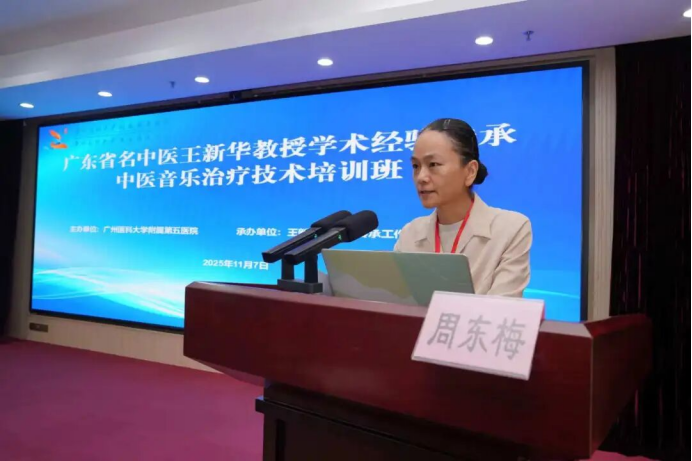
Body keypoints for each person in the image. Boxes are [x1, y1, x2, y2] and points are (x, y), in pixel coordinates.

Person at [394, 118, 532, 297]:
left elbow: (502, 308)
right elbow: (397, 303)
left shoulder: (511, 228)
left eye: (433, 164)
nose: (421, 177)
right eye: (415, 166)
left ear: (470, 171)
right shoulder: (410, 234)